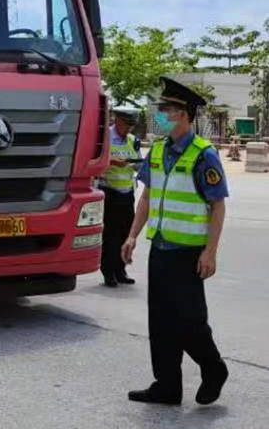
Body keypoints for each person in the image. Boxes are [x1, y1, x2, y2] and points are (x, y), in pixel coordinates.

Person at [122, 77, 229, 405]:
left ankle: (214, 368)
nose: (162, 114)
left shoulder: (203, 155)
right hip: (162, 249)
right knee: (162, 320)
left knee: (190, 321)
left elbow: (218, 205)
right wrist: (132, 235)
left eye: (167, 109)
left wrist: (210, 252)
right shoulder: (156, 150)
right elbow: (147, 197)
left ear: (184, 114)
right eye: (162, 109)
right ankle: (167, 385)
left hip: (188, 253)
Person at [98, 106, 142, 287]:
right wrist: (112, 162)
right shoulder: (104, 138)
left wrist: (136, 164)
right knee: (110, 235)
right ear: (118, 120)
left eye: (132, 126)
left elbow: (138, 164)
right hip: (109, 192)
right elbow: (93, 161)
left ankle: (120, 270)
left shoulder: (132, 140)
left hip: (127, 194)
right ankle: (108, 272)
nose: (129, 129)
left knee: (125, 233)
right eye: (127, 125)